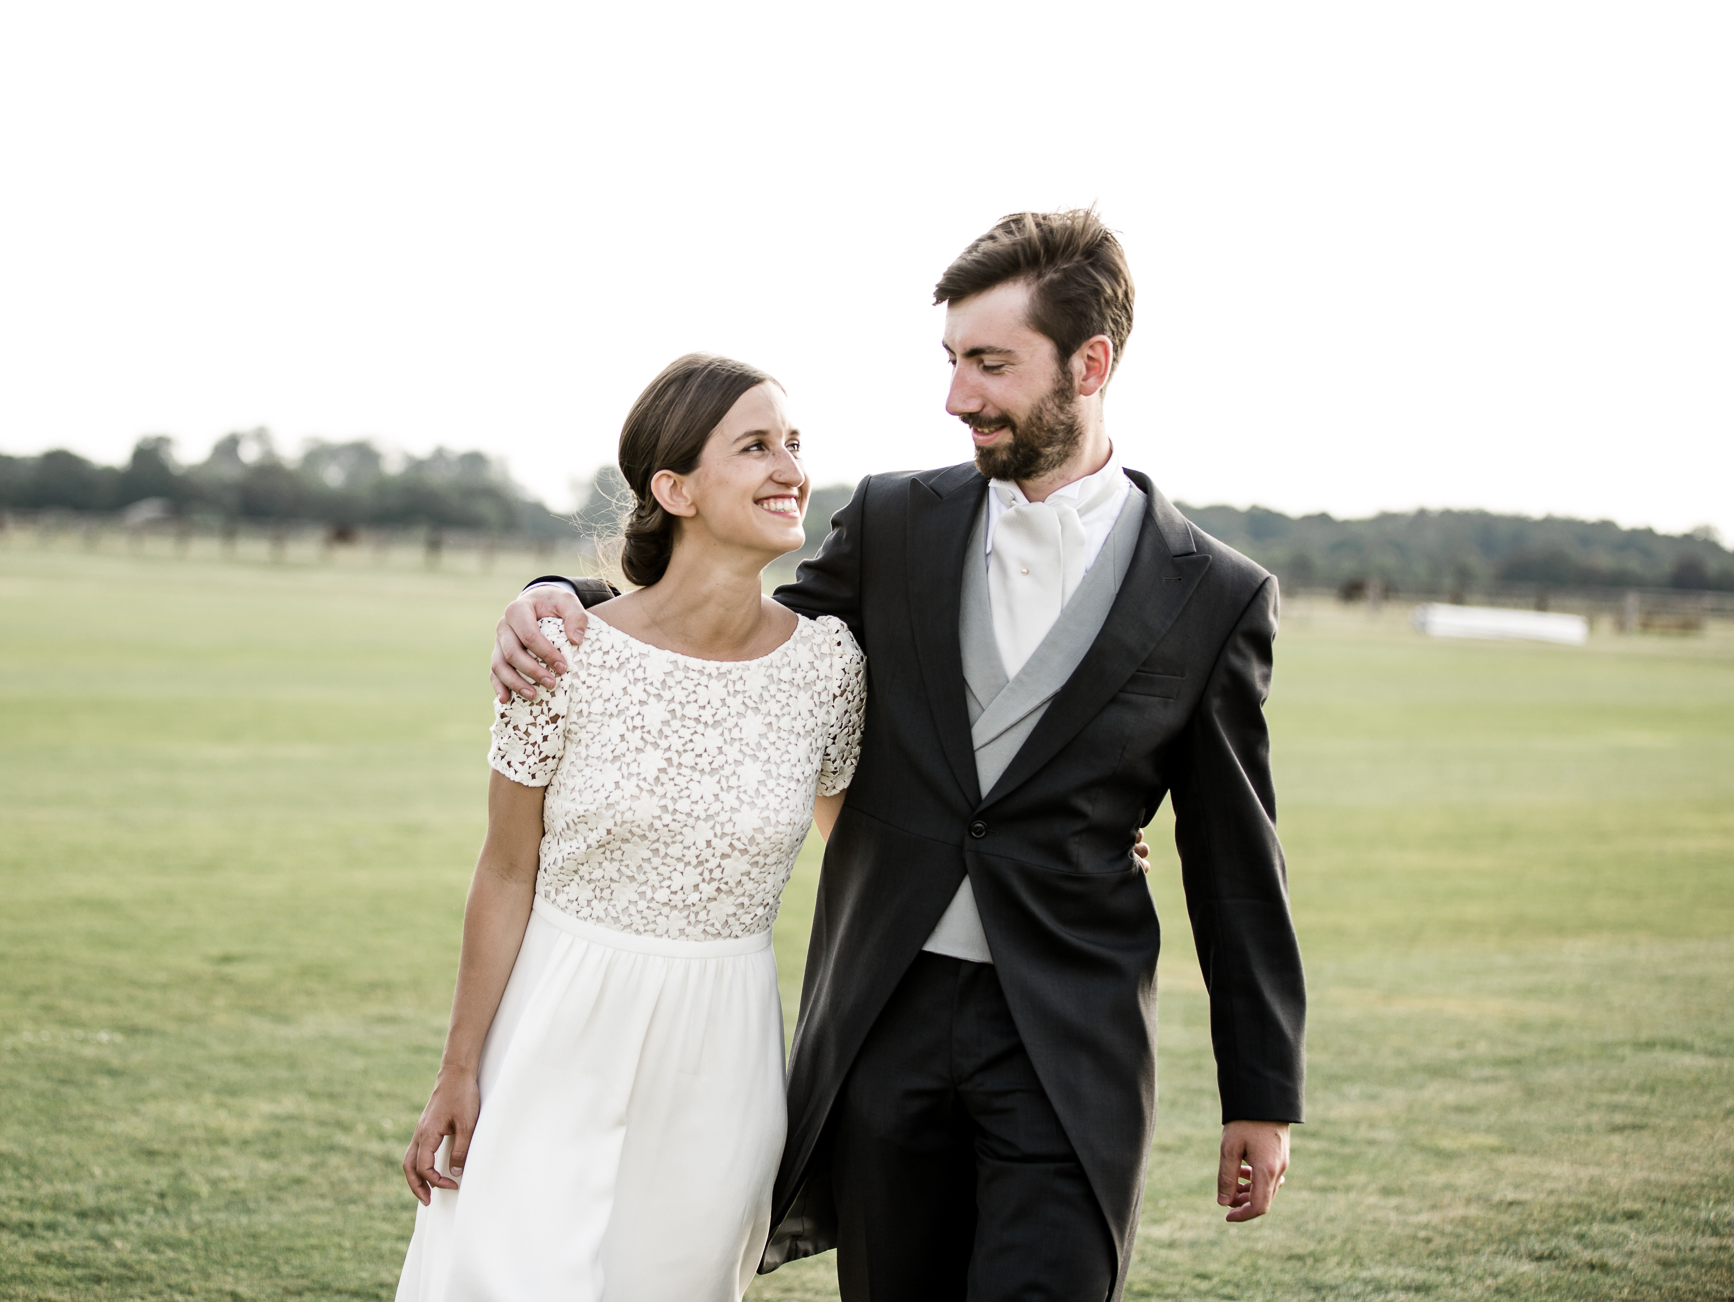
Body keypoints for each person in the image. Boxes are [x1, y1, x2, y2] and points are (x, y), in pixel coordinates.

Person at [492, 210, 1306, 1301]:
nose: (956, 395)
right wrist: (567, 599)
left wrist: (1260, 1090)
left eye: (989, 363)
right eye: (951, 361)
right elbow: (731, 624)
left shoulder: (1211, 595)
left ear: (1089, 364)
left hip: (1069, 1042)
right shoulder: (893, 523)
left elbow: (1232, 861)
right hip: (885, 1018)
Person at [393, 353, 869, 1302]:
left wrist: (1063, 840)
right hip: (554, 1023)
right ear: (675, 487)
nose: (790, 469)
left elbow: (867, 842)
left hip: (723, 1049)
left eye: (795, 444)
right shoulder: (561, 650)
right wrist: (458, 1067)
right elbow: (504, 871)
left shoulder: (828, 666)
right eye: (756, 446)